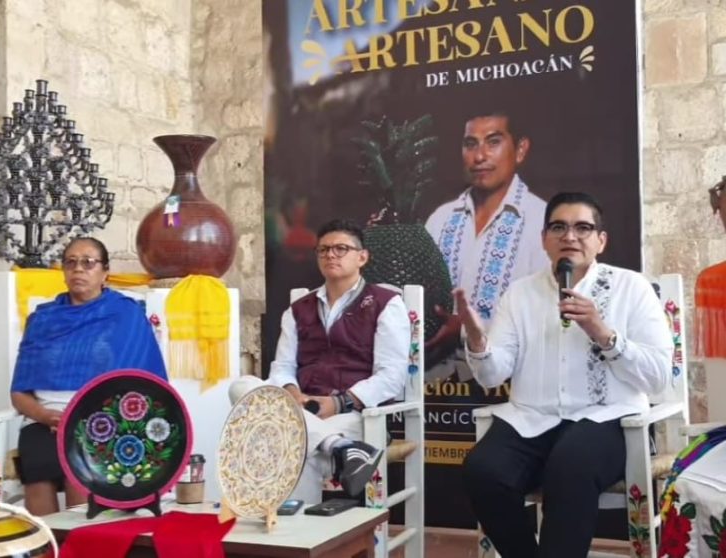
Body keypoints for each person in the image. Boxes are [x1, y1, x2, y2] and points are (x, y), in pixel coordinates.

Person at [457, 192, 674, 557]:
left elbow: (657, 379)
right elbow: (493, 376)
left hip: (608, 418)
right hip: (531, 418)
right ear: (544, 239)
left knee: (570, 464)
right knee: (482, 470)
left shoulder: (631, 288)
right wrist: (478, 342)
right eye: (558, 227)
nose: (569, 236)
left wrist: (602, 332)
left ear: (601, 240)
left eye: (583, 228)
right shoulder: (519, 293)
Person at [229, 219, 411, 504]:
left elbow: (391, 376)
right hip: (303, 408)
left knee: (294, 441)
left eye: (341, 249)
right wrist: (291, 392)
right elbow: (282, 366)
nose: (331, 255)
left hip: (355, 414)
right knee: (242, 385)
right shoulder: (298, 310)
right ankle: (342, 448)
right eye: (324, 250)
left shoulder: (385, 304)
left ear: (362, 257)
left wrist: (338, 402)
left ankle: (297, 540)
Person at [10, 237, 167, 516]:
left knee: (80, 474)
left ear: (105, 272)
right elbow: (19, 393)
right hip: (44, 419)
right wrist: (46, 417)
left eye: (88, 263)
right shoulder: (43, 320)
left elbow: (145, 384)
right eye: (70, 262)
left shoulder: (125, 315)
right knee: (37, 470)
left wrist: (92, 415)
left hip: (102, 418)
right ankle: (48, 545)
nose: (78, 269)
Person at [424, 108, 549, 373]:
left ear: (521, 149)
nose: (479, 156)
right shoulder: (440, 219)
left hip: (512, 384)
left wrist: (464, 331)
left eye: (493, 142)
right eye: (471, 144)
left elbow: (546, 315)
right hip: (436, 388)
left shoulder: (542, 221)